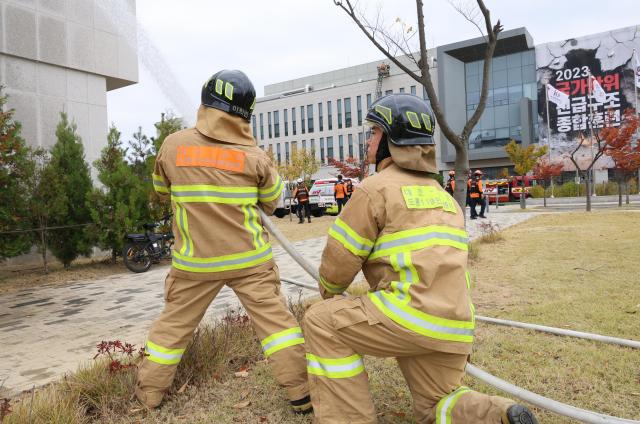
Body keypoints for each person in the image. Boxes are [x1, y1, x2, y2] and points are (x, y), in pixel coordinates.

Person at [302, 93, 537, 424]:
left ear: (392, 141)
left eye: (374, 132)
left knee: (320, 320)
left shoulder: (375, 189)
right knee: (436, 406)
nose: (369, 140)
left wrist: (328, 292)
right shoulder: (444, 198)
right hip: (454, 325)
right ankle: (498, 416)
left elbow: (340, 260)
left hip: (408, 317)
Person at [136, 69, 311, 414]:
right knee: (278, 328)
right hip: (250, 260)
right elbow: (273, 202)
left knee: (171, 330)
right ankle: (301, 394)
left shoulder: (173, 146)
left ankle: (148, 397)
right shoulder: (255, 156)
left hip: (194, 263)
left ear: (206, 104)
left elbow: (160, 191)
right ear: (246, 115)